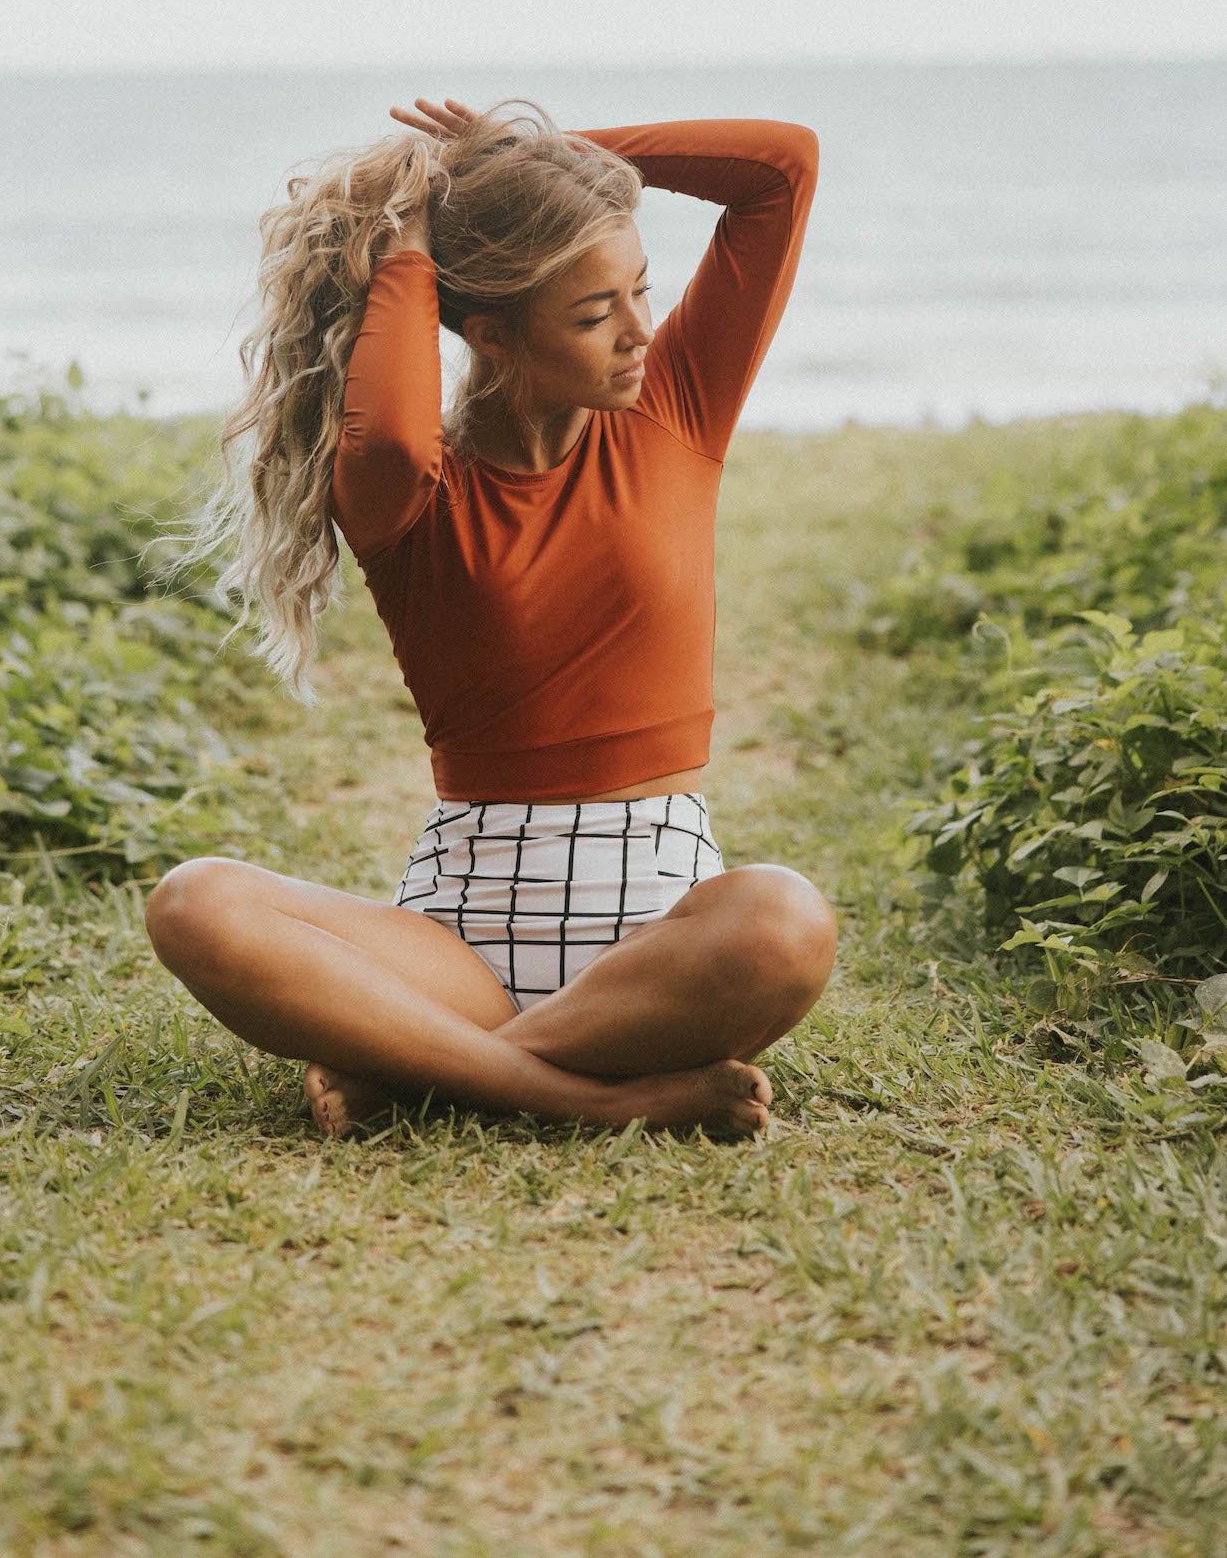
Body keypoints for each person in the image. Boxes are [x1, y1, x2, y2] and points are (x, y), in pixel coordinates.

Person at [145, 95, 837, 1139]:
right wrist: (413, 244)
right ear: (491, 334)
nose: (642, 330)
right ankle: (597, 1096)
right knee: (195, 901)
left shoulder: (675, 411)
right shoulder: (408, 495)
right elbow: (383, 441)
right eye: (596, 313)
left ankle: (415, 1067)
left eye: (640, 291)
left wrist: (527, 159)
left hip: (660, 931)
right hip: (461, 938)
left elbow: (781, 166)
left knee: (784, 917)